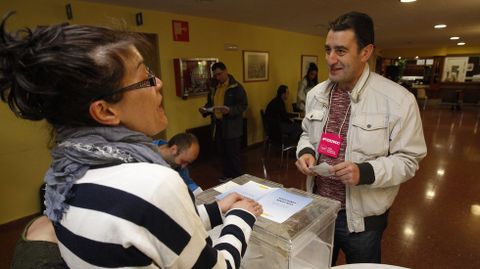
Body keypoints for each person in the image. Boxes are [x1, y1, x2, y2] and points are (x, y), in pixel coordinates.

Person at [1, 13, 262, 268]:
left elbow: (150, 231)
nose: (158, 83)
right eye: (144, 79)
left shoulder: (61, 178)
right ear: (105, 111)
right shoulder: (154, 184)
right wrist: (241, 217)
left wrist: (217, 209)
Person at [295, 11, 427, 265]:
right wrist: (305, 153)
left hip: (362, 222)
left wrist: (364, 172)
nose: (330, 59)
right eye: (328, 50)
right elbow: (305, 134)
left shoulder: (398, 101)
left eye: (341, 51)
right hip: (318, 211)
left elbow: (409, 160)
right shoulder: (316, 94)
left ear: (366, 52)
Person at [199, 62, 247, 182]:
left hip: (232, 127)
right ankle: (227, 175)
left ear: (226, 71)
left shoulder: (236, 87)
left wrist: (230, 110)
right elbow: (211, 104)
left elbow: (243, 106)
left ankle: (238, 179)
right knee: (222, 153)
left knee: (233, 155)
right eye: (215, 75)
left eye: (220, 74)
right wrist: (205, 110)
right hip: (218, 125)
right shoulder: (214, 87)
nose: (218, 77)